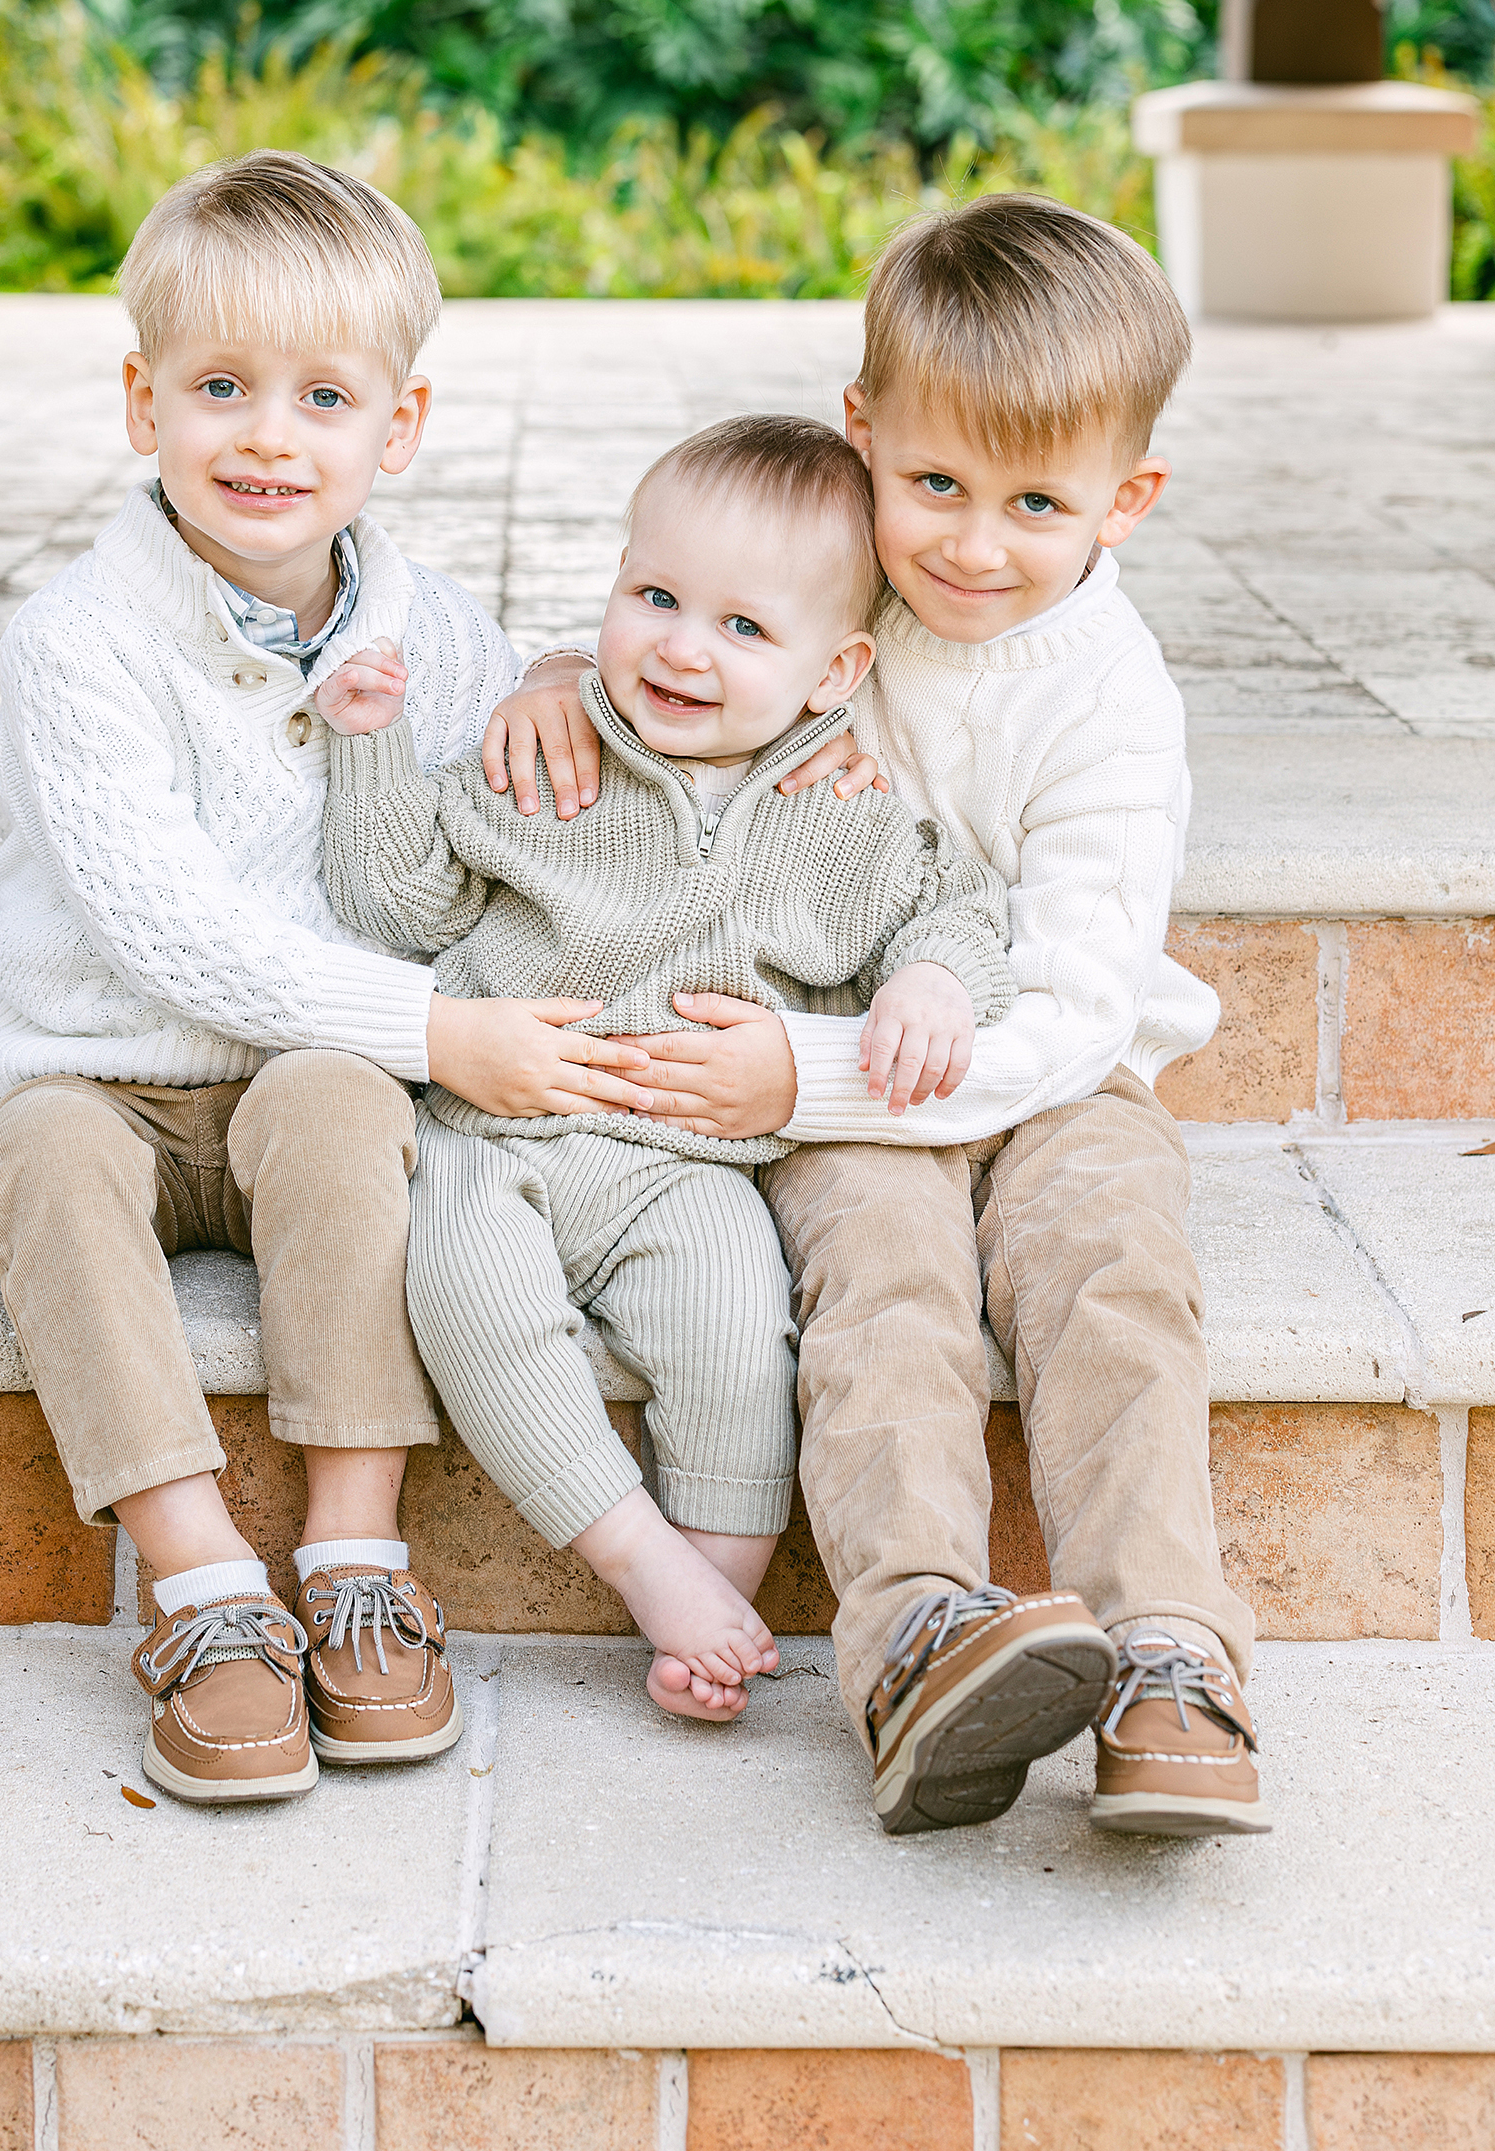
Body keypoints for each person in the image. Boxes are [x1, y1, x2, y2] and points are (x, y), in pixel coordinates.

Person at [490, 195, 1265, 1837]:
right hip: (835, 1064)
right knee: (882, 1284)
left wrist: (809, 1072)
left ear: (1125, 499)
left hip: (1043, 1066)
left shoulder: (1109, 702)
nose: (972, 545)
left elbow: (1070, 1000)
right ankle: (915, 1632)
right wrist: (561, 670)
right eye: (933, 488)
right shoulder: (851, 587)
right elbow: (686, 618)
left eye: (1035, 503)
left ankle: (1170, 1658)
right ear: (865, 440)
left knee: (1114, 1274)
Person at [0, 150, 666, 1803]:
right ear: (144, 404)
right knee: (42, 1167)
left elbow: (571, 761)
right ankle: (203, 1583)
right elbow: (168, 931)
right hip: (105, 1072)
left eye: (323, 396)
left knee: (352, 1112)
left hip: (312, 1084)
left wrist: (569, 670)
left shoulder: (436, 627)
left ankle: (354, 1556)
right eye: (219, 387)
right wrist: (441, 1028)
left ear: (395, 431)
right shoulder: (76, 639)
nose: (268, 436)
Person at [314, 414, 1016, 1720]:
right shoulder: (547, 748)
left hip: (681, 1166)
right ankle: (641, 1566)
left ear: (832, 671)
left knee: (740, 1335)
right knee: (465, 1295)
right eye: (655, 597)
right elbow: (397, 909)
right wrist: (366, 751)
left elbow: (958, 909)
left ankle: (716, 1598)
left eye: (745, 629)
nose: (684, 647)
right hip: (491, 1134)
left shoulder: (839, 811)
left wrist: (929, 980)